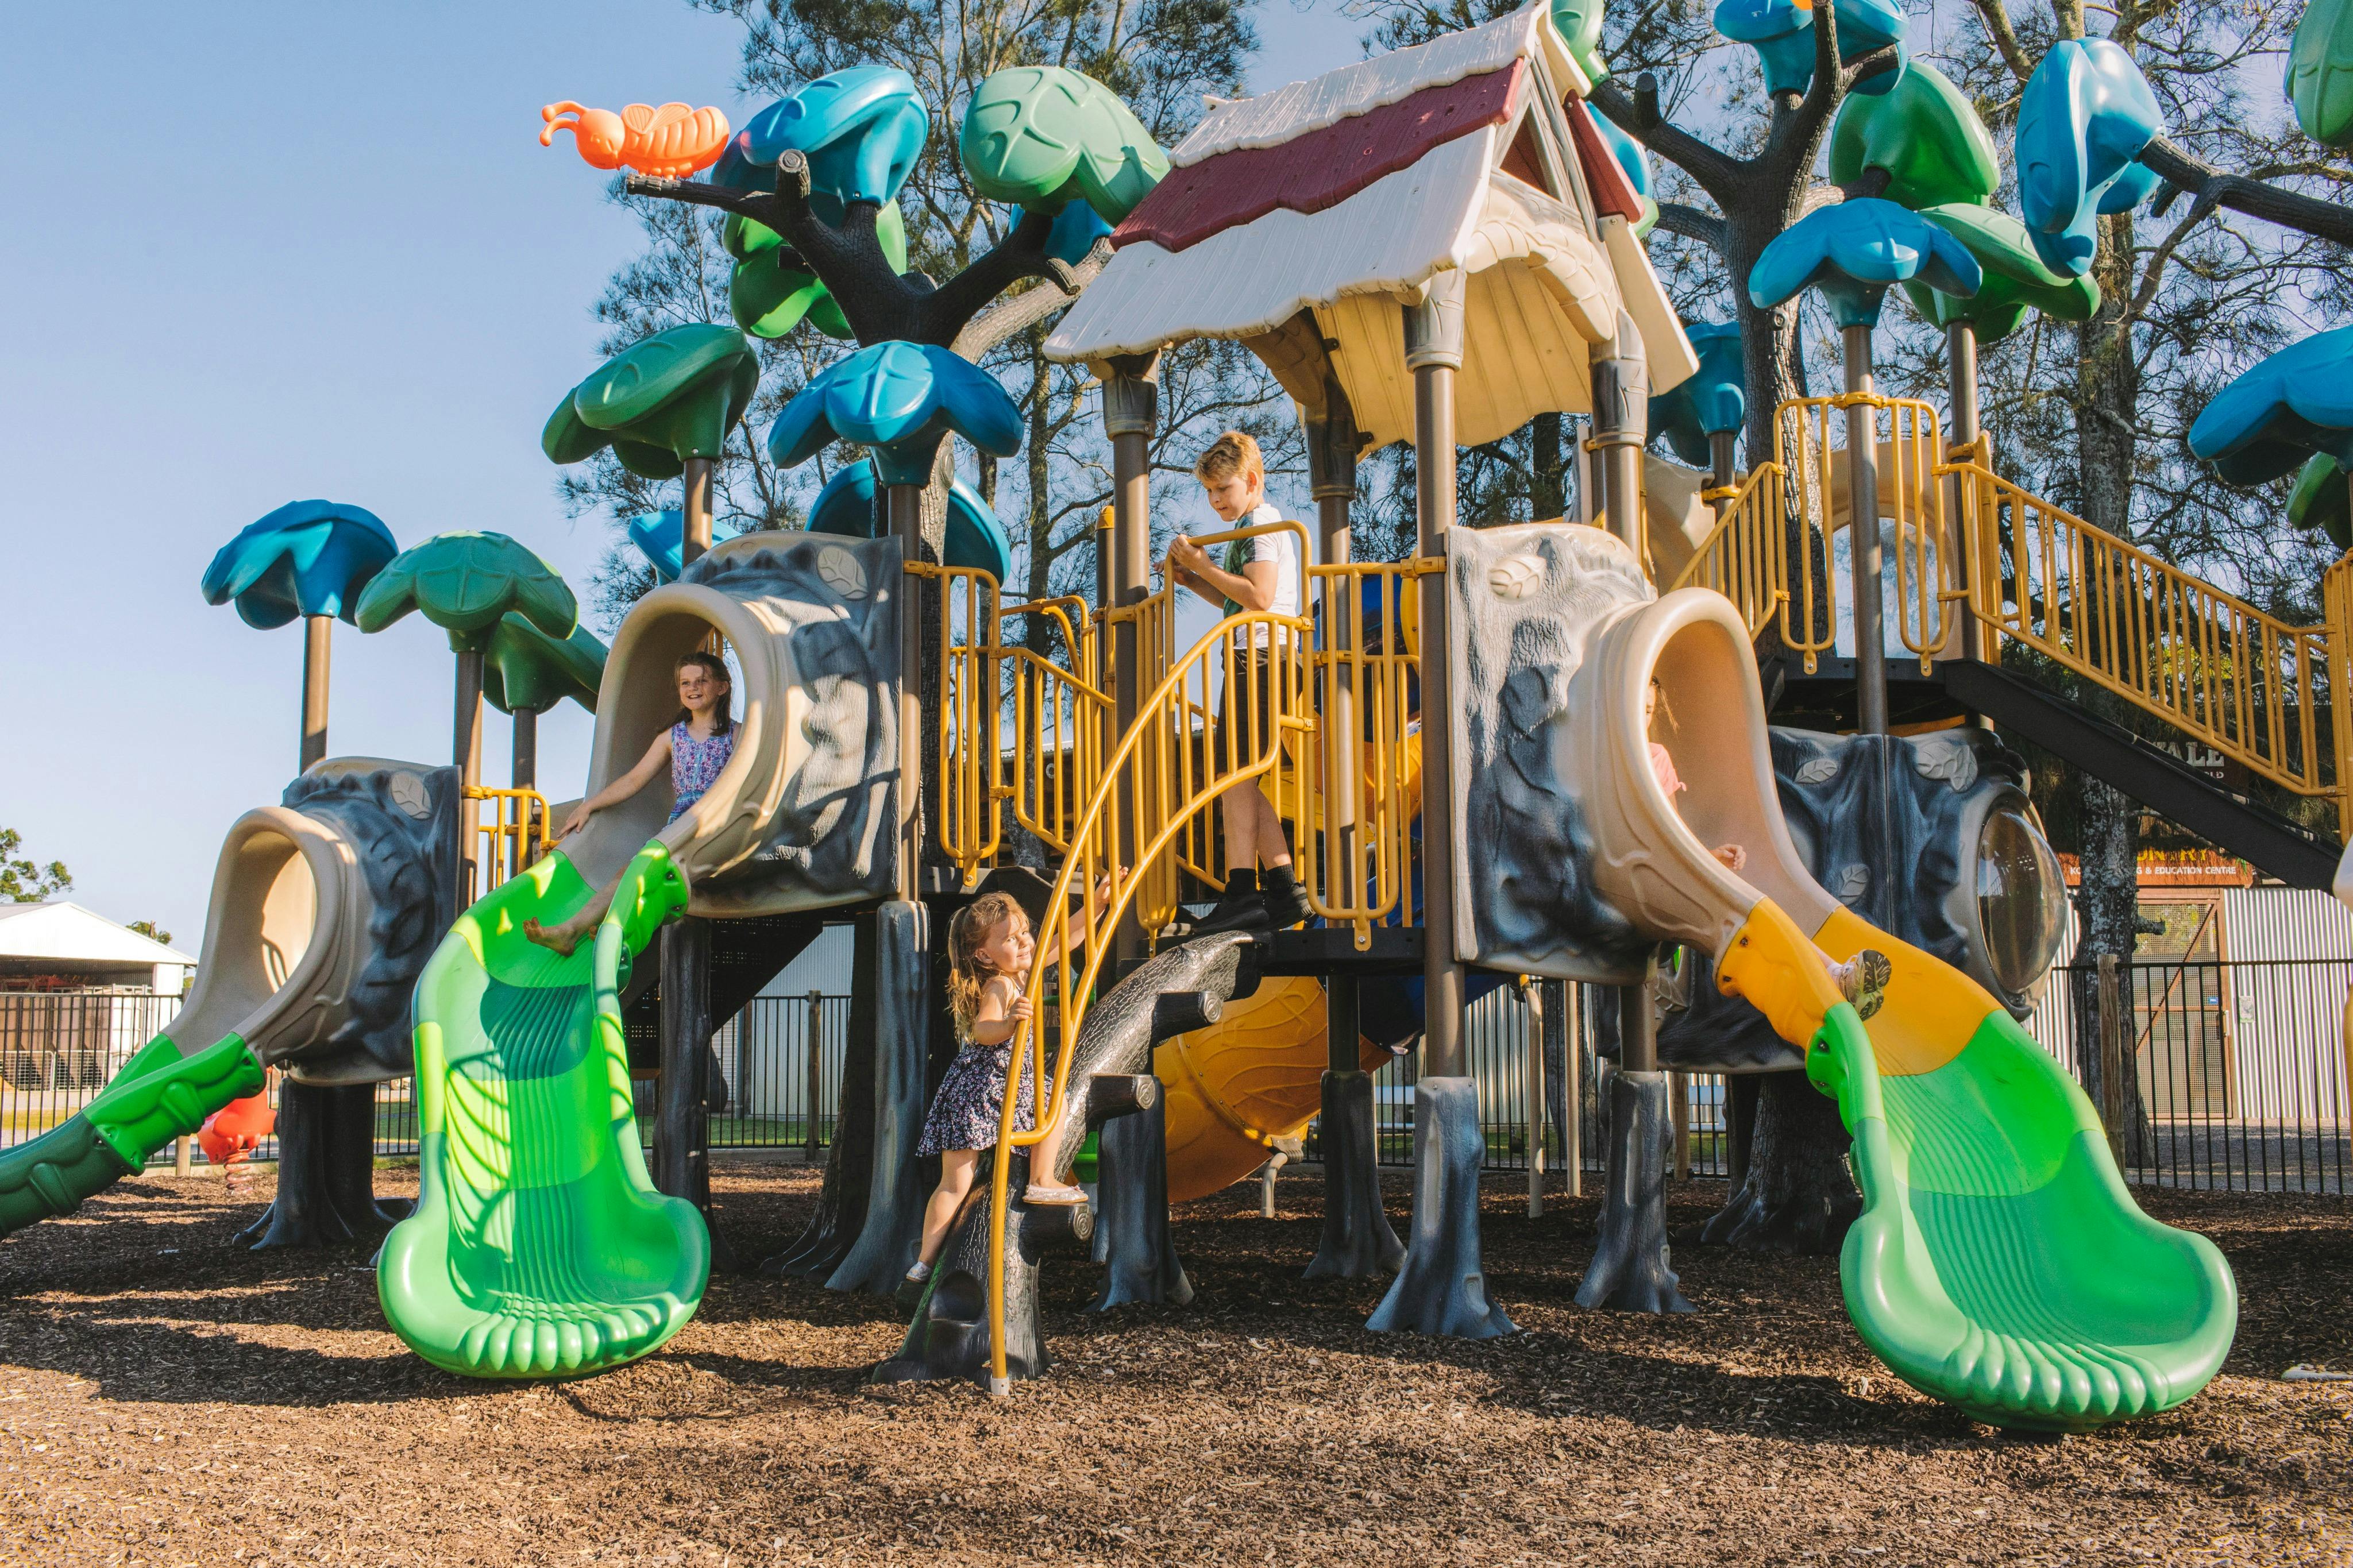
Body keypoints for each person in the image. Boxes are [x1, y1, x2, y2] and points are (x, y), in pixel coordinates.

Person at [1644, 681, 1891, 1018]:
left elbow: (1675, 833)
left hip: (1674, 876)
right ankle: (1835, 978)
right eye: (1636, 709)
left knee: (1759, 911)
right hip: (1644, 877)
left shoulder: (1656, 757)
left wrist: (1711, 856)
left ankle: (1835, 978)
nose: (1642, 720)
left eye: (1647, 711)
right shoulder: (1607, 758)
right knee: (1750, 914)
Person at [902, 888, 1104, 1300]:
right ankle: (923, 1263)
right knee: (955, 1183)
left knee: (1053, 1100)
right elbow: (983, 1030)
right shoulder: (1000, 985)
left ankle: (924, 1266)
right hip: (980, 1092)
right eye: (1011, 939)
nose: (1026, 942)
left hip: (1001, 1089)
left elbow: (1065, 939)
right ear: (985, 956)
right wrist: (1010, 1023)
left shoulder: (1021, 971)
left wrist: (1098, 904)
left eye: (1025, 932)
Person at [1162, 430, 1311, 936]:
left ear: (1250, 480)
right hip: (1256, 654)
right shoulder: (1252, 524)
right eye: (1209, 492)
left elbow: (1261, 596)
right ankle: (1284, 887)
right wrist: (1199, 581)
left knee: (1233, 775)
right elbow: (1240, 599)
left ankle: (1243, 890)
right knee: (1238, 775)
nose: (1216, 501)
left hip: (1263, 656)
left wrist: (1204, 563)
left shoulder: (1261, 524)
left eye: (1223, 488)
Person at [524, 651, 736, 956]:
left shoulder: (737, 734)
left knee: (648, 875)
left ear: (722, 687)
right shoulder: (672, 737)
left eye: (702, 681)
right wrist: (590, 805)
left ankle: (611, 929)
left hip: (717, 822)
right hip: (680, 825)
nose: (693, 688)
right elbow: (634, 780)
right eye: (685, 682)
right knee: (631, 872)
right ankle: (575, 931)